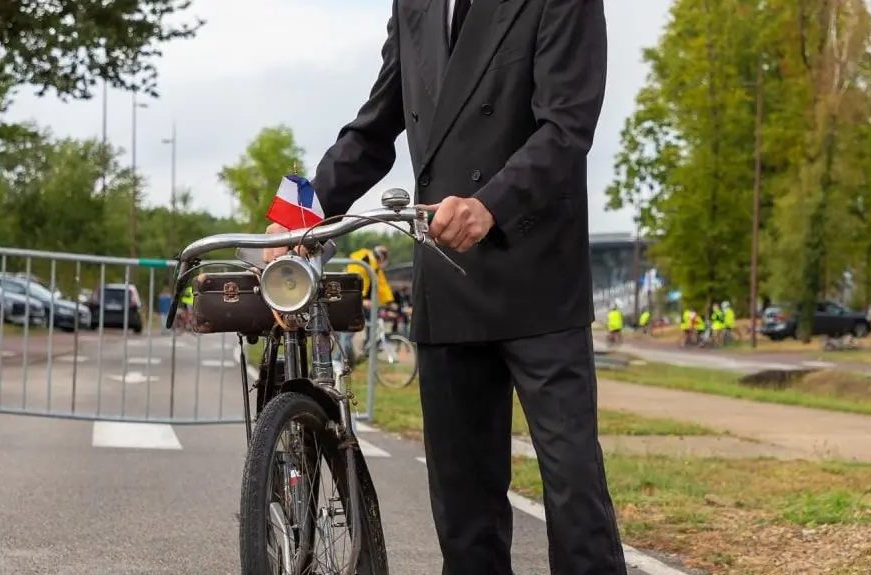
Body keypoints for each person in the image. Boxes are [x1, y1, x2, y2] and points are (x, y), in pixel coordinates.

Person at [264, 2, 624, 573]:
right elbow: (374, 129)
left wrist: (491, 206)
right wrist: (299, 218)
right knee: (464, 513)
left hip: (540, 281)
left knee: (574, 492)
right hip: (448, 281)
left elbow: (567, 126)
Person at [342, 245, 396, 361]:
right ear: (381, 258)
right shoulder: (365, 258)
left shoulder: (375, 266)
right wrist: (361, 298)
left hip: (361, 301)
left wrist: (390, 302)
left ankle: (366, 347)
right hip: (352, 298)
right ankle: (338, 360)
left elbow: (382, 285)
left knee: (372, 319)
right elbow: (354, 277)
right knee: (349, 331)